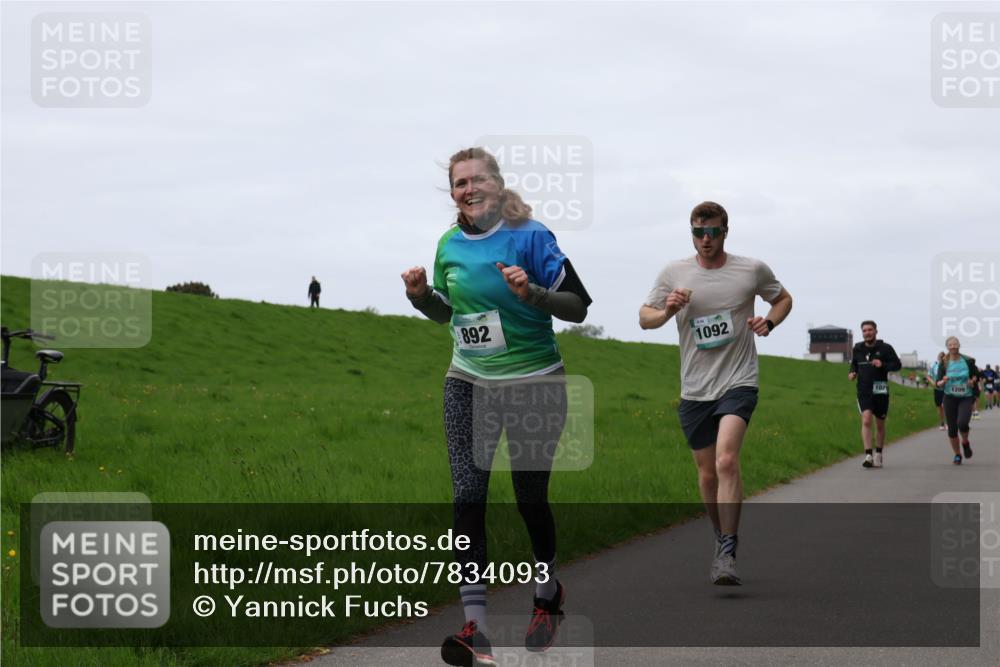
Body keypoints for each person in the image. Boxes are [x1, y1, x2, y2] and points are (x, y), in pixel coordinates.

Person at [402, 147, 592, 667]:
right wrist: (422, 298)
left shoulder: (532, 236)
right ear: (454, 193)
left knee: (530, 497)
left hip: (535, 381)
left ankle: (546, 593)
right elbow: (449, 313)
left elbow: (578, 305)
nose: (468, 190)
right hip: (468, 381)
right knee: (467, 495)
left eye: (477, 180)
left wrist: (533, 293)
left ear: (497, 184)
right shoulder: (449, 245)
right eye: (459, 183)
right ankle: (476, 629)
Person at [639, 201, 792, 586]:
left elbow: (783, 298)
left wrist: (768, 322)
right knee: (707, 475)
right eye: (698, 232)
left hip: (739, 380)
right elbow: (644, 318)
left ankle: (727, 550)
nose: (706, 240)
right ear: (691, 233)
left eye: (713, 232)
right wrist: (668, 309)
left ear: (726, 232)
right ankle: (721, 535)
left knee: (726, 461)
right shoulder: (674, 272)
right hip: (695, 388)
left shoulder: (750, 270)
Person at [848, 321, 902, 469]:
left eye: (870, 330)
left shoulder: (885, 348)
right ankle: (868, 455)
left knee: (879, 424)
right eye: (864, 331)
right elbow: (854, 364)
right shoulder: (858, 348)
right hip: (864, 390)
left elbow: (897, 365)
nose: (867, 333)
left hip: (880, 389)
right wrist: (852, 373)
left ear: (876, 331)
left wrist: (883, 365)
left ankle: (878, 453)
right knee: (866, 420)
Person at [934, 336, 979, 465]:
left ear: (959, 345)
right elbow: (938, 383)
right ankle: (957, 454)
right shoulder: (944, 362)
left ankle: (965, 442)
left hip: (965, 396)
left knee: (963, 423)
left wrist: (972, 381)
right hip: (949, 397)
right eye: (950, 345)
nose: (953, 346)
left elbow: (976, 374)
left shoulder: (968, 361)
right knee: (952, 429)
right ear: (947, 347)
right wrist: (943, 381)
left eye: (955, 344)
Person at [926, 352, 947, 430]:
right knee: (939, 406)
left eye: (943, 357)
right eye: (940, 357)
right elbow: (928, 376)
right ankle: (942, 422)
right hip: (937, 389)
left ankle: (947, 422)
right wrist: (933, 382)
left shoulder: (947, 365)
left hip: (946, 389)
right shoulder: (934, 365)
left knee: (944, 405)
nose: (941, 358)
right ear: (938, 357)